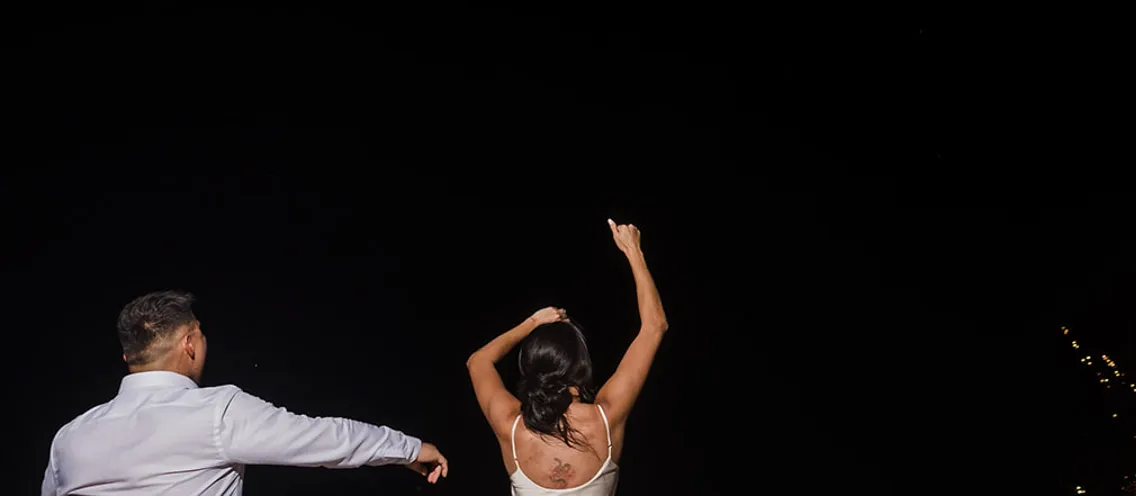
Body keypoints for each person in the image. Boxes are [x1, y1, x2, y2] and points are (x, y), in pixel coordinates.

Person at [41, 290, 448, 494]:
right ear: (189, 344)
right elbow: (327, 439)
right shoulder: (216, 412)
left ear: (129, 354)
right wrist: (410, 448)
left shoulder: (69, 436)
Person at [466, 219, 668, 493]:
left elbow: (478, 361)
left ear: (530, 368)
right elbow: (654, 326)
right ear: (581, 365)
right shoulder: (606, 418)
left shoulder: (511, 427)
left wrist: (532, 323)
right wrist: (633, 251)